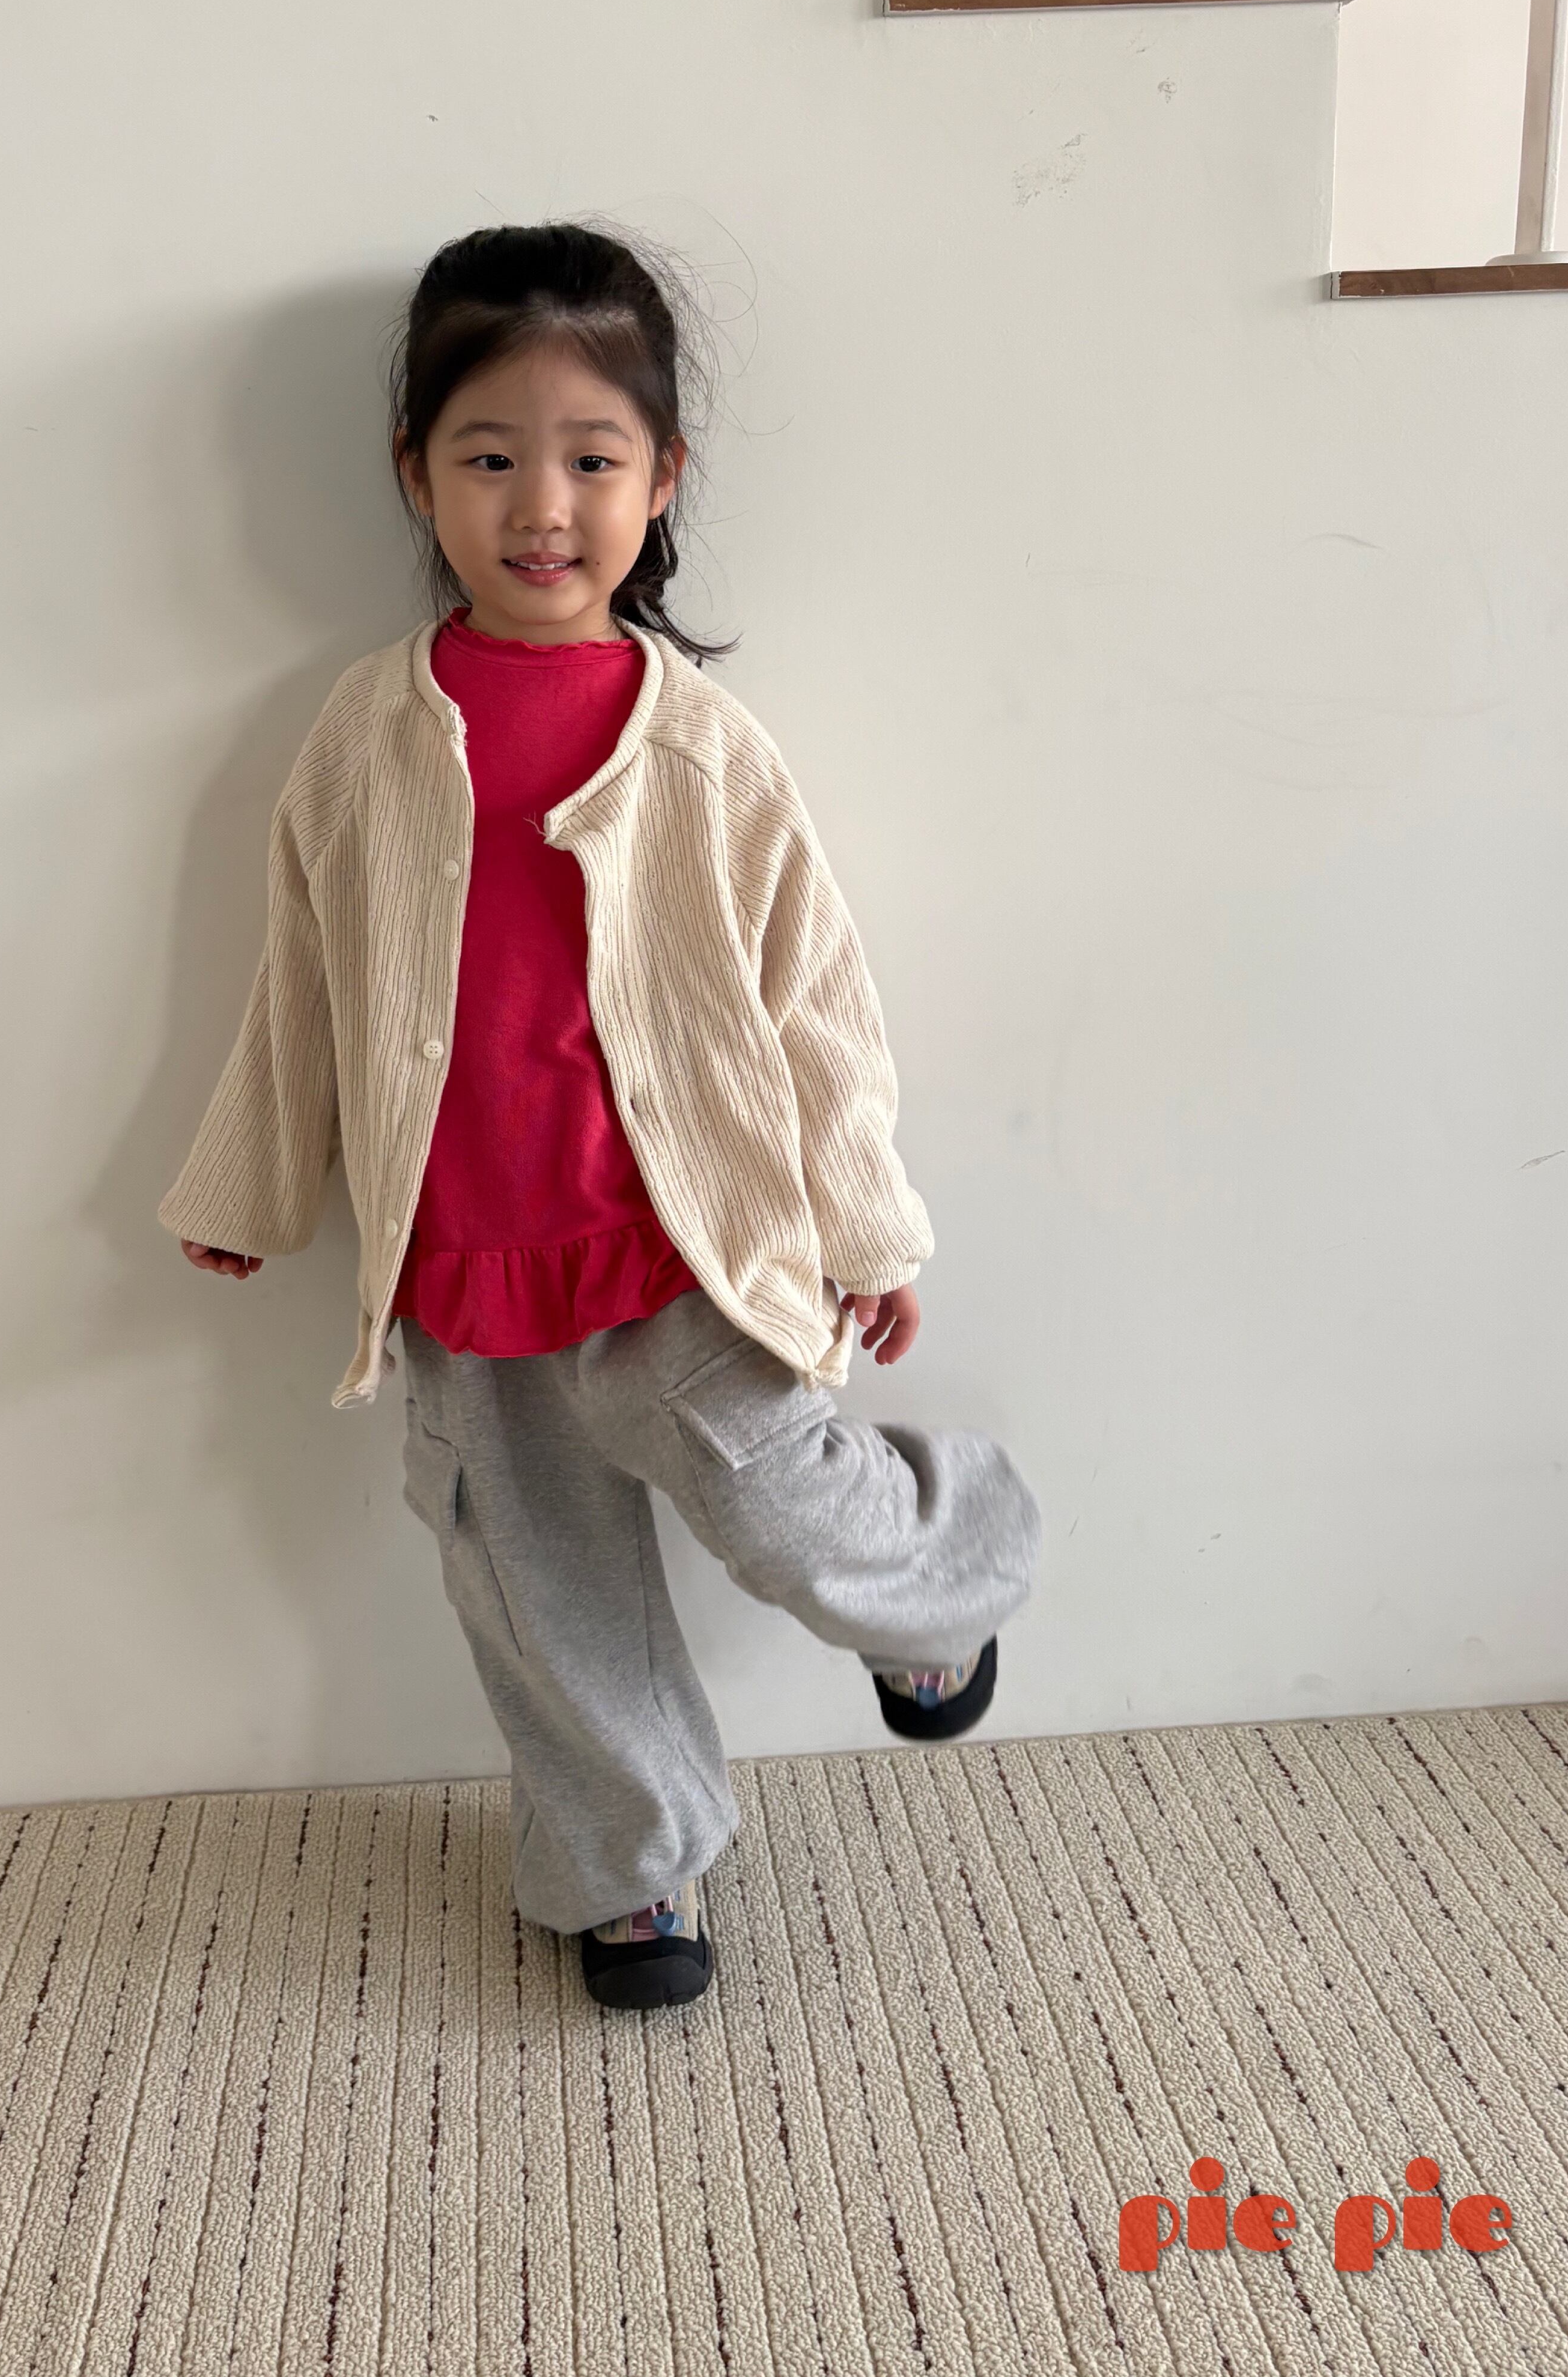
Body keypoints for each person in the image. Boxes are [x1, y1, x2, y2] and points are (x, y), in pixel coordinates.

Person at [162, 222, 1041, 2010]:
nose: (541, 507)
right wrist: (253, 1179)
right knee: (540, 1596)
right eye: (490, 458)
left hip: (677, 1247)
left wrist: (865, 1220)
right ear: (415, 473)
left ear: (663, 477)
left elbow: (812, 998)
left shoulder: (699, 743)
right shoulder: (366, 732)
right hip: (467, 1263)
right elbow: (304, 969)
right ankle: (635, 1870)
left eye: (591, 460)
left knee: (781, 1503)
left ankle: (936, 1585)